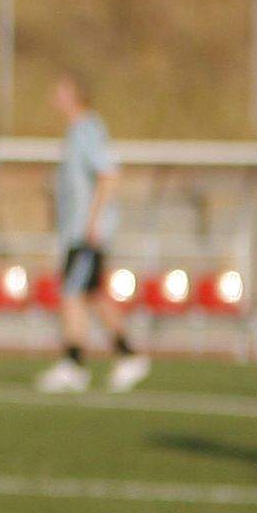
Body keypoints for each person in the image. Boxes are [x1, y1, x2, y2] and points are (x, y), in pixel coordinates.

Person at [34, 76, 150, 394]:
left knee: (71, 292)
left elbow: (110, 175)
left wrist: (92, 221)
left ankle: (73, 363)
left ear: (75, 95)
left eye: (61, 90)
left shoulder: (87, 130)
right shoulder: (77, 131)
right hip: (77, 229)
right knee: (92, 294)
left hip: (85, 232)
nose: (54, 95)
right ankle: (128, 355)